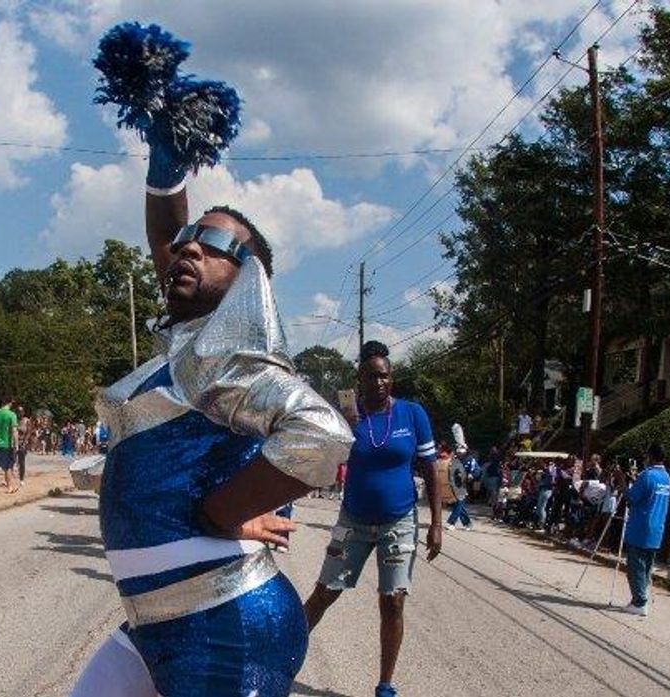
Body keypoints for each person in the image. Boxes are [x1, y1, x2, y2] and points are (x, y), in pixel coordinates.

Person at [71, 26, 354, 695]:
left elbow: (319, 435)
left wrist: (222, 510)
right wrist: (165, 165)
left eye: (215, 242)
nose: (189, 248)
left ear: (250, 279)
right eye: (187, 240)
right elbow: (165, 235)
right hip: (158, 620)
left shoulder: (228, 361)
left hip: (222, 624)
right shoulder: (190, 350)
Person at [303, 340, 441, 697]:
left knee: (392, 600)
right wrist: (342, 428)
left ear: (391, 377)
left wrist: (437, 524)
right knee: (324, 593)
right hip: (354, 521)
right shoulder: (345, 417)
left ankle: (385, 685)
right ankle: (281, 657)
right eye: (371, 376)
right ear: (359, 379)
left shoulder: (412, 414)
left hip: (399, 521)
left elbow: (429, 469)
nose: (379, 382)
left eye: (384, 376)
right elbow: (321, 461)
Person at [621, 443, 670, 617]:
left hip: (640, 527)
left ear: (650, 456)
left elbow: (632, 498)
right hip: (657, 528)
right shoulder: (666, 477)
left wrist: (622, 483)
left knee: (636, 567)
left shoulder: (647, 475)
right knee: (647, 567)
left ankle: (639, 602)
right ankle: (642, 598)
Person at [444, 443, 472, 531]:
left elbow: (476, 470)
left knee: (459, 503)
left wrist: (470, 474)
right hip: (453, 484)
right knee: (458, 504)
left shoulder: (470, 459)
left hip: (463, 485)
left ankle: (451, 522)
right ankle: (467, 523)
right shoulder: (455, 459)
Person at [16, 405, 30, 486]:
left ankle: (21, 479)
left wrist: (24, 443)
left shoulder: (26, 421)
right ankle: (8, 478)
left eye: (21, 411)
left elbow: (28, 432)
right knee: (10, 461)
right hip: (14, 442)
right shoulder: (15, 420)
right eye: (18, 411)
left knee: (21, 462)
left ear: (23, 412)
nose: (19, 413)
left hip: (22, 443)